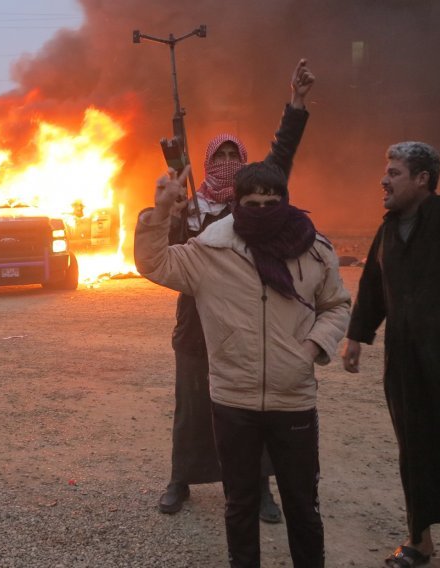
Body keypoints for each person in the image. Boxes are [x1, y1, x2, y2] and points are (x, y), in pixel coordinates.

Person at [135, 157, 351, 565]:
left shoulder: (314, 250)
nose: (264, 213)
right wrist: (161, 211)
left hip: (294, 399)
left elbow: (336, 305)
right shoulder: (211, 250)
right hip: (234, 401)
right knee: (239, 506)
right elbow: (155, 263)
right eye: (253, 204)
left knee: (303, 507)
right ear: (237, 205)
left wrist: (309, 350)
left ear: (286, 202)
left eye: (273, 203)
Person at [158, 59, 315, 524]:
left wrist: (297, 105)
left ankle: (260, 487)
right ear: (207, 161)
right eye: (219, 156)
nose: (227, 163)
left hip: (247, 326)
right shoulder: (192, 204)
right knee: (191, 406)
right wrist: (172, 213)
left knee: (252, 410)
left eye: (234, 155)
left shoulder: (255, 205)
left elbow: (282, 155)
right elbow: (170, 260)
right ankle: (180, 479)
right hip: (196, 328)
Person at [342, 97, 440, 568]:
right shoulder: (386, 232)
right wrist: (356, 337)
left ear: (423, 179)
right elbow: (372, 290)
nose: (384, 180)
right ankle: (419, 542)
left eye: (394, 172)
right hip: (405, 363)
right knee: (415, 449)